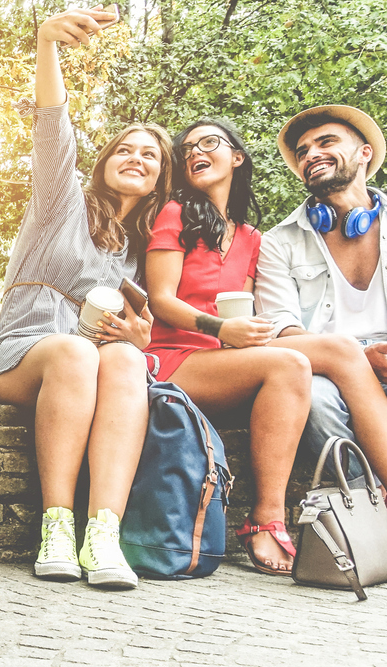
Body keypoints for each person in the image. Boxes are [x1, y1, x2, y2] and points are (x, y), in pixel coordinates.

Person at [0, 8, 172, 590]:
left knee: (128, 359)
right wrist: (47, 45)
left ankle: (103, 532)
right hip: (24, 355)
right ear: (102, 164)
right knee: (77, 354)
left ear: (161, 178)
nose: (136, 157)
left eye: (151, 155)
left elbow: (140, 333)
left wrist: (136, 339)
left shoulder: (141, 251)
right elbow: (53, 128)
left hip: (90, 362)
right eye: (124, 150)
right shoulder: (63, 204)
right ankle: (56, 525)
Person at [148, 117, 387, 576]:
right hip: (175, 356)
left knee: (298, 362)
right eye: (187, 148)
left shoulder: (253, 237)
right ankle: (266, 519)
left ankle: (270, 520)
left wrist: (242, 333)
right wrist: (221, 329)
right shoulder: (175, 213)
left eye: (209, 142)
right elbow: (161, 300)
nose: (194, 150)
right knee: (321, 355)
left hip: (225, 357)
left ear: (237, 157)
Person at [257, 106, 387, 488]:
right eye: (302, 151)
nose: (311, 154)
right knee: (313, 396)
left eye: (326, 142)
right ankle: (369, 500)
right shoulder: (280, 241)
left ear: (365, 153)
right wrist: (355, 359)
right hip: (330, 369)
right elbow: (282, 329)